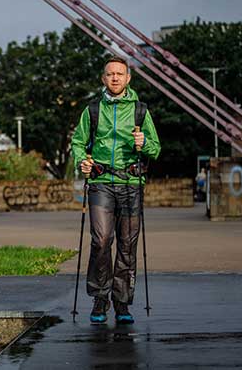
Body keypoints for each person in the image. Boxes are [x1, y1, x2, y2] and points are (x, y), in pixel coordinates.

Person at [71, 56, 161, 324]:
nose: (115, 78)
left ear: (128, 78)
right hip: (101, 183)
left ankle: (122, 302)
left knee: (127, 245)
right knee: (101, 241)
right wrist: (82, 161)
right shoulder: (92, 110)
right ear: (103, 78)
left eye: (120, 74)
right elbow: (78, 142)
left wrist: (143, 143)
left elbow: (155, 149)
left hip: (131, 183)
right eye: (110, 74)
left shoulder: (140, 111)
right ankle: (100, 298)